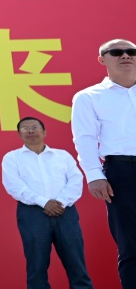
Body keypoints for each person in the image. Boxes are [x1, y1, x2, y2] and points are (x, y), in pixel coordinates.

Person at [73, 38, 136, 288]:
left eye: (131, 51)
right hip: (122, 173)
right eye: (117, 52)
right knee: (131, 244)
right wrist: (94, 174)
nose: (125, 56)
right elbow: (85, 138)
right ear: (102, 60)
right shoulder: (89, 97)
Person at [2, 116, 94, 289]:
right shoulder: (12, 158)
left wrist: (60, 202)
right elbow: (14, 186)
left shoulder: (62, 156)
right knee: (36, 267)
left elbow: (76, 180)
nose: (31, 131)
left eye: (35, 127)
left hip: (65, 212)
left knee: (76, 265)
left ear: (44, 132)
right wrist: (44, 203)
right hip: (32, 214)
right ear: (19, 134)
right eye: (25, 129)